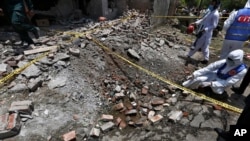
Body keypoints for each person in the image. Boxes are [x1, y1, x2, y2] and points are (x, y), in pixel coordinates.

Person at [182, 49, 247, 100]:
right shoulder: (225, 61)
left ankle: (216, 92)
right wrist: (194, 74)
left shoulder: (242, 70)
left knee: (217, 91)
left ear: (238, 60)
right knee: (199, 78)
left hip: (222, 82)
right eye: (229, 59)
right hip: (215, 75)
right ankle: (184, 86)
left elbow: (228, 82)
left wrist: (211, 83)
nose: (229, 61)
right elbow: (208, 68)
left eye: (232, 60)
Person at [186, 0, 220, 65]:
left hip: (206, 33)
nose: (211, 4)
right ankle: (206, 59)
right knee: (205, 47)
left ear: (216, 4)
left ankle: (189, 55)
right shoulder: (210, 12)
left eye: (213, 2)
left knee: (197, 44)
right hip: (203, 31)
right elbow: (203, 20)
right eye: (211, 2)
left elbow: (214, 25)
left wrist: (205, 29)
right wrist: (195, 23)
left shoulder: (215, 14)